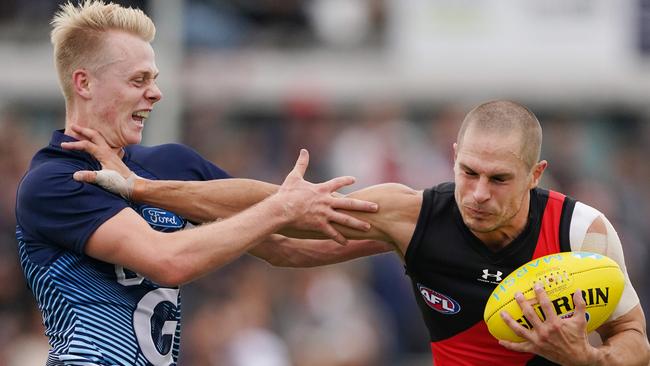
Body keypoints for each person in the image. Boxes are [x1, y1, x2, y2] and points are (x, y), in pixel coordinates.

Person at [68, 100, 650, 365]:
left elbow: (636, 343)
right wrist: (140, 189)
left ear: (536, 175)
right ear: (452, 157)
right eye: (467, 172)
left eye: (499, 180)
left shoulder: (583, 231)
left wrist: (587, 360)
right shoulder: (414, 214)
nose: (477, 192)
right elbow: (283, 214)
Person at [14, 1, 391, 365]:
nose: (155, 92)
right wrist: (278, 207)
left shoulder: (173, 164)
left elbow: (285, 246)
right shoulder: (53, 182)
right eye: (138, 80)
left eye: (154, 80)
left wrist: (404, 237)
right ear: (84, 83)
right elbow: (168, 260)